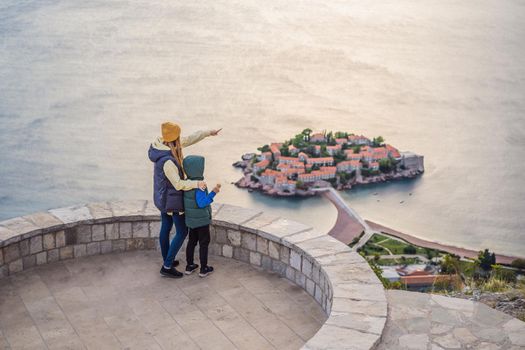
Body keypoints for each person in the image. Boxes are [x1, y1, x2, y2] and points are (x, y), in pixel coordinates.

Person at [148, 122, 221, 278]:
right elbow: (178, 184)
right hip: (171, 200)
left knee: (166, 226)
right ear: (173, 140)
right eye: (178, 138)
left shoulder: (161, 144)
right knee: (182, 231)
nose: (181, 140)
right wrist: (197, 183)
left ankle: (168, 259)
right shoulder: (168, 161)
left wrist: (208, 132)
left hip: (162, 197)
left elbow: (190, 139)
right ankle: (167, 266)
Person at [182, 155, 220, 277]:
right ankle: (204, 268)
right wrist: (213, 192)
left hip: (191, 220)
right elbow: (202, 203)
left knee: (192, 242)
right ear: (199, 169)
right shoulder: (200, 185)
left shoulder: (186, 183)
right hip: (202, 221)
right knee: (204, 243)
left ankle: (189, 266)